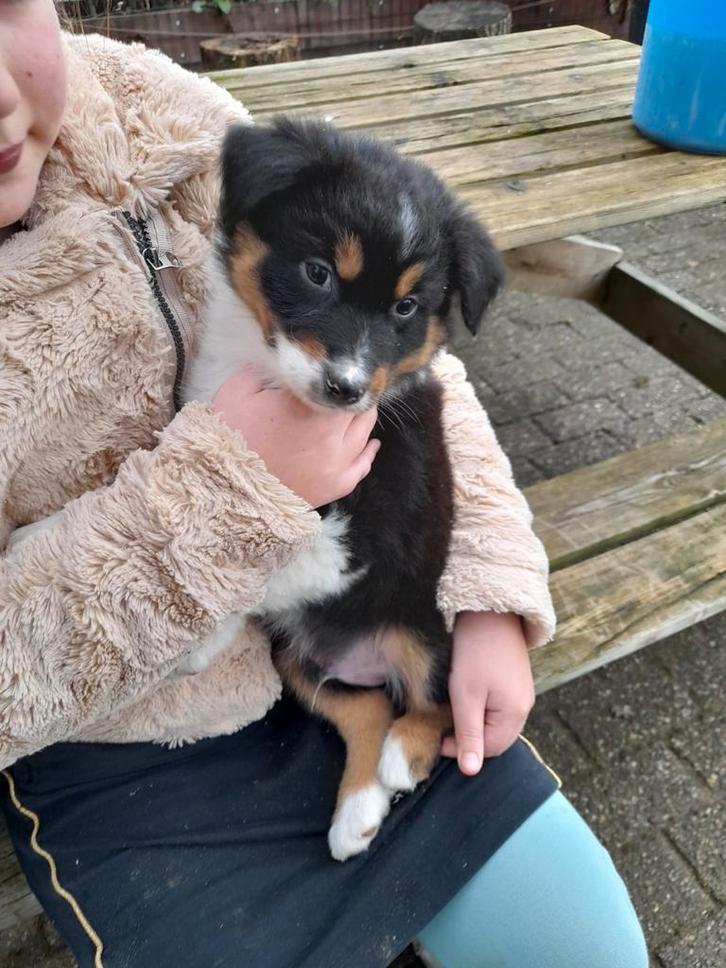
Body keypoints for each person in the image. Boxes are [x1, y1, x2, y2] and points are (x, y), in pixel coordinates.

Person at [0, 3, 648, 966]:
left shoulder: (163, 111)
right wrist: (233, 488)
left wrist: (490, 598)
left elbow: (433, 388)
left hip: (322, 632)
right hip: (116, 749)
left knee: (582, 945)